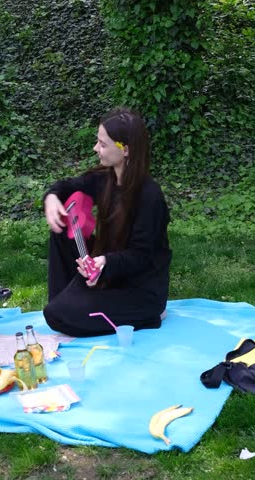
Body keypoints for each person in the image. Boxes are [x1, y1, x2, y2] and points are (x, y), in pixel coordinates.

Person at [42, 108, 172, 337]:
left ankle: (147, 316)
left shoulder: (149, 196)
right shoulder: (105, 178)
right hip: (110, 270)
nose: (96, 148)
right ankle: (66, 301)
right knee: (61, 230)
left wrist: (105, 263)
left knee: (58, 315)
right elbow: (68, 186)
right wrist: (52, 197)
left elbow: (141, 256)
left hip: (139, 289)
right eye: (97, 141)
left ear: (125, 150)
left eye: (103, 144)